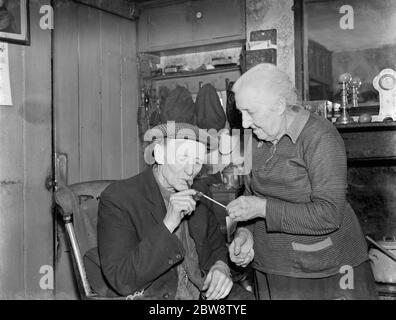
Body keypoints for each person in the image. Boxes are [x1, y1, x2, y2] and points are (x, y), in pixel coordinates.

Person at [226, 63, 378, 300]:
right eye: (241, 113)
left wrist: (262, 208)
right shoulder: (254, 139)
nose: (244, 123)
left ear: (279, 106)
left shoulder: (320, 137)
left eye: (250, 112)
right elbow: (251, 200)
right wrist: (245, 235)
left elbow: (328, 215)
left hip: (324, 271)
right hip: (271, 267)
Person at [96, 122, 253, 300]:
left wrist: (221, 266)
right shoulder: (120, 198)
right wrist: (168, 223)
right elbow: (122, 278)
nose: (190, 170)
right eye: (183, 157)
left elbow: (217, 248)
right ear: (160, 154)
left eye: (197, 162)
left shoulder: (199, 193)